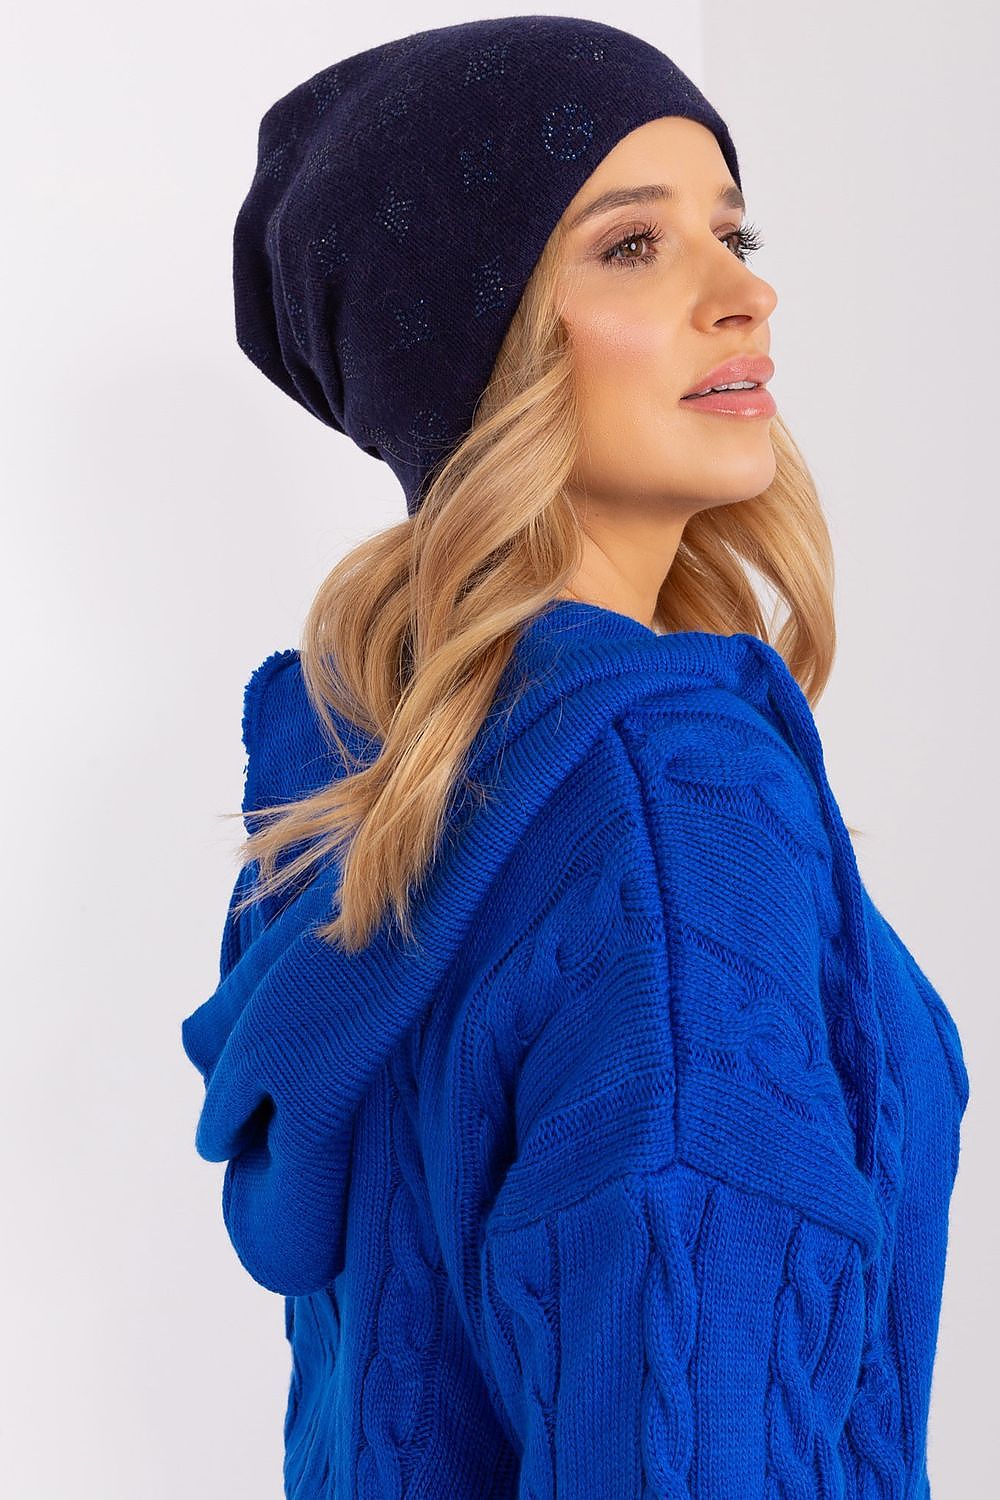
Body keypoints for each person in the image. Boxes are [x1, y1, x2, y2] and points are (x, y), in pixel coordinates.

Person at [181, 16, 970, 1497]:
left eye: (734, 233)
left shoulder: (376, 785)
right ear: (474, 348)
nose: (746, 293)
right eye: (633, 247)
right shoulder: (672, 805)